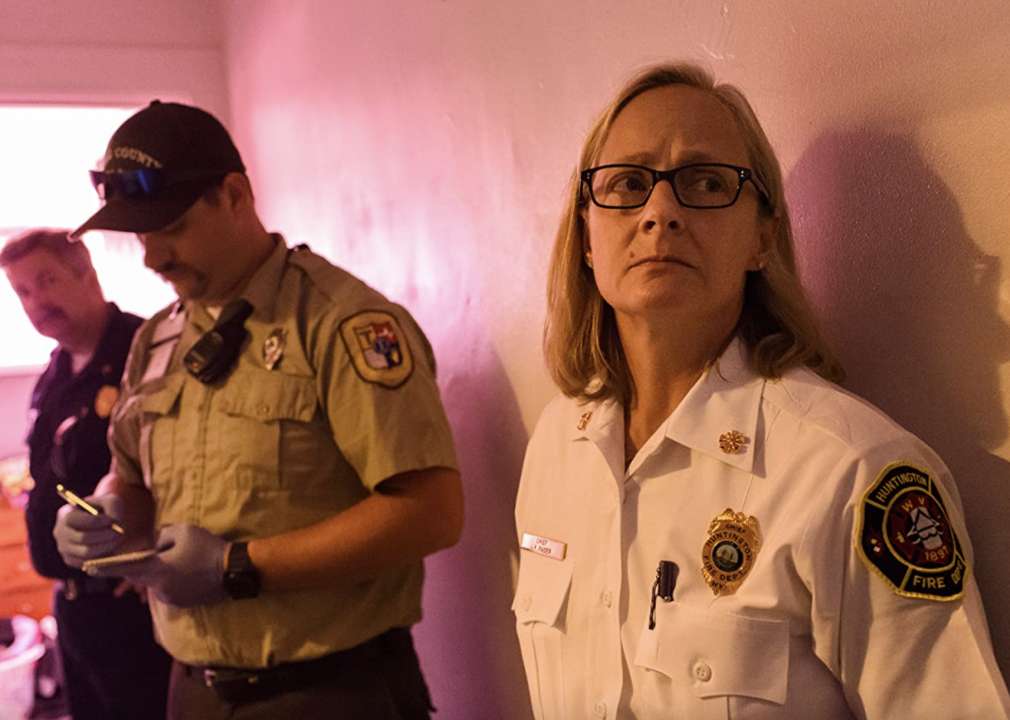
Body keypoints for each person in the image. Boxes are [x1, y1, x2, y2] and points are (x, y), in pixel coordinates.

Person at [513, 63, 1010, 719]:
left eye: (707, 183)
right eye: (629, 184)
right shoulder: (556, 445)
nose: (660, 212)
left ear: (761, 238)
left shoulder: (852, 472)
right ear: (585, 235)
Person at [52, 101, 463, 719]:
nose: (152, 257)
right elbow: (131, 474)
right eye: (140, 234)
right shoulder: (157, 339)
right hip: (193, 688)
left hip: (328, 693)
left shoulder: (339, 323)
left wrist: (236, 567)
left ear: (234, 194)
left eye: (172, 227)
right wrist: (110, 508)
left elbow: (431, 514)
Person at [1, 229, 171, 720]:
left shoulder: (145, 352)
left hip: (132, 608)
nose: (36, 303)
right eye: (22, 292)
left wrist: (158, 552)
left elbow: (180, 467)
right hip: (74, 605)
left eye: (46, 281)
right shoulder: (55, 374)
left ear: (85, 272)